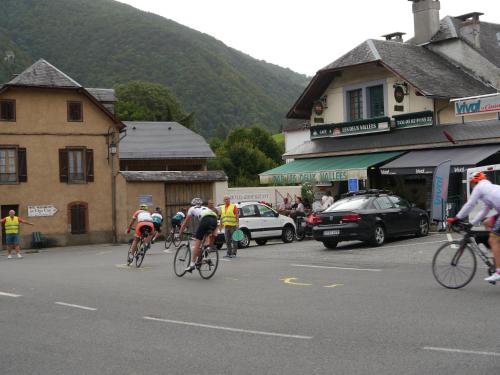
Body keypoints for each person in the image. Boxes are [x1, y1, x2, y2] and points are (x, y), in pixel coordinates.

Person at [448, 172, 500, 282]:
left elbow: (470, 204)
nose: (473, 187)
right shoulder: (488, 188)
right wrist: (472, 223)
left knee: (493, 238)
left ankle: (498, 272)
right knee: (487, 223)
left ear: (475, 181)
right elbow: (485, 210)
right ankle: (495, 253)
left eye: (472, 184)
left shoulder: (480, 187)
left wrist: (457, 218)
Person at [178, 198, 219, 272]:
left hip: (206, 220)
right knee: (206, 241)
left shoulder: (192, 208)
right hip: (214, 219)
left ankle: (192, 264)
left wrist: (180, 233)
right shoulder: (205, 208)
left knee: (197, 243)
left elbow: (185, 223)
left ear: (193, 204)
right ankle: (205, 256)